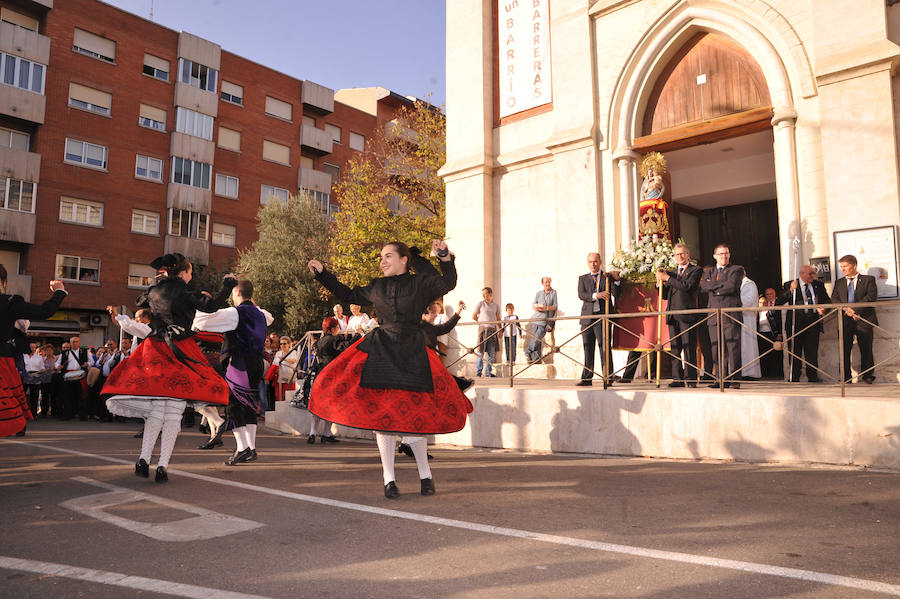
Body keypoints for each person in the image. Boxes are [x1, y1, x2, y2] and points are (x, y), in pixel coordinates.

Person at [307, 240, 473, 499]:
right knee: (382, 420)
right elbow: (348, 295)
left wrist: (443, 256)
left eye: (388, 256)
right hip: (381, 353)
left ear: (404, 259)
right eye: (381, 257)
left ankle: (425, 475)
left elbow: (447, 283)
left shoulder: (420, 283)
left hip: (412, 353)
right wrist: (323, 274)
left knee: (412, 419)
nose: (382, 261)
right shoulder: (376, 286)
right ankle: (389, 480)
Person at [101, 253, 235, 482]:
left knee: (155, 411)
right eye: (190, 273)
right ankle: (162, 466)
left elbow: (141, 303)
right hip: (179, 349)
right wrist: (228, 284)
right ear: (182, 273)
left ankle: (143, 459)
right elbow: (211, 306)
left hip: (155, 348)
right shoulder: (185, 292)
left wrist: (160, 283)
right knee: (173, 412)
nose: (191, 277)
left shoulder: (154, 291)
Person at [193, 279, 273, 464]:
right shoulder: (260, 314)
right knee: (249, 406)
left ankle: (242, 448)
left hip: (240, 363)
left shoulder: (235, 313)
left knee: (234, 405)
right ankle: (251, 448)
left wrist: (201, 306)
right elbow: (270, 317)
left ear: (237, 293)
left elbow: (201, 322)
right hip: (257, 363)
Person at [0, 264, 67, 437]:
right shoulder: (9, 302)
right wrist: (59, 292)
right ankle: (18, 425)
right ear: (4, 282)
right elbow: (44, 311)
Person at [656, 243, 702, 387]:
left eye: (682, 254)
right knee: (675, 348)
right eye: (677, 255)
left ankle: (691, 378)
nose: (680, 257)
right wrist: (659, 283)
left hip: (687, 314)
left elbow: (687, 286)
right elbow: (664, 296)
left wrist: (667, 278)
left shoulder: (695, 270)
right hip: (672, 314)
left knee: (689, 346)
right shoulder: (672, 273)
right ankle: (678, 378)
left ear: (688, 254)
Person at [700, 244, 744, 389]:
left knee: (733, 348)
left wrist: (714, 288)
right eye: (720, 254)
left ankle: (736, 379)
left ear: (729, 255)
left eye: (725, 253)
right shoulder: (709, 271)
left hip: (730, 314)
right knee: (717, 349)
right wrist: (719, 286)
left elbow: (731, 286)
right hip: (713, 315)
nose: (723, 256)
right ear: (714, 256)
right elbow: (704, 287)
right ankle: (720, 379)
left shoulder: (736, 269)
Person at [831, 254, 878, 383]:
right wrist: (847, 310)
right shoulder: (839, 282)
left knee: (866, 348)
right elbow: (834, 299)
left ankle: (868, 375)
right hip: (845, 320)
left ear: (854, 265)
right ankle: (845, 377)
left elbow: (871, 297)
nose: (843, 269)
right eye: (841, 267)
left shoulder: (869, 280)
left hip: (864, 319)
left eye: (845, 266)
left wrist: (856, 310)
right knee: (844, 349)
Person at [779, 265, 829, 382]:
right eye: (810, 273)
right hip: (795, 323)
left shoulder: (818, 285)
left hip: (813, 322)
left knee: (811, 351)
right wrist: (791, 290)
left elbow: (827, 300)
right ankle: (794, 377)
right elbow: (780, 300)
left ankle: (812, 376)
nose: (813, 276)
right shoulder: (789, 284)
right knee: (795, 351)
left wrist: (824, 308)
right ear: (802, 274)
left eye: (813, 273)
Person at [577, 253, 620, 385]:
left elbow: (617, 294)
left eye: (595, 261)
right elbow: (582, 295)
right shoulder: (583, 278)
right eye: (590, 262)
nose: (593, 264)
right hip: (588, 318)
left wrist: (617, 280)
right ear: (587, 263)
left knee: (604, 347)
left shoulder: (607, 277)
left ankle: (608, 377)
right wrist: (597, 295)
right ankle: (586, 378)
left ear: (600, 262)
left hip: (603, 317)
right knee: (588, 347)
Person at [308, 316, 348, 444]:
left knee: (317, 405)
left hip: (320, 375)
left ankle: (312, 433)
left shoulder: (319, 342)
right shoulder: (334, 340)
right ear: (333, 329)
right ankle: (326, 434)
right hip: (331, 376)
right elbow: (345, 350)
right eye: (337, 327)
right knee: (330, 405)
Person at [525, 277, 557, 364]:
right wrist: (537, 307)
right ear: (542, 283)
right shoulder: (538, 293)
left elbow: (555, 306)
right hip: (536, 319)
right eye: (546, 282)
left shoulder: (553, 293)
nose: (547, 284)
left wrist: (545, 308)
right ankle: (537, 360)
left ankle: (528, 351)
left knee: (536, 338)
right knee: (538, 341)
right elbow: (533, 304)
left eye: (549, 282)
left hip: (545, 321)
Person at [472, 287, 501, 377]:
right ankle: (478, 373)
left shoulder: (495, 305)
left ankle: (488, 372)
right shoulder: (480, 304)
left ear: (491, 294)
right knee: (480, 352)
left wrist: (501, 329)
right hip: (483, 330)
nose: (484, 296)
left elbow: (498, 318)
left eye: (486, 294)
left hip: (492, 331)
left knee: (491, 353)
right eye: (483, 294)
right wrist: (480, 323)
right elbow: (474, 316)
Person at [758, 289, 784, 379]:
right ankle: (764, 373)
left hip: (771, 334)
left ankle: (775, 373)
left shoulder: (773, 307)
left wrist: (779, 333)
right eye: (761, 302)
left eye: (764, 302)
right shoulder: (756, 313)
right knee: (763, 355)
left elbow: (778, 321)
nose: (763, 304)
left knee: (773, 355)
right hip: (760, 335)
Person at [739, 275, 761, 380]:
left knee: (748, 346)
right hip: (739, 319)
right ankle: (743, 372)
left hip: (747, 319)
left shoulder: (749, 284)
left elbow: (747, 301)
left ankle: (751, 372)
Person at [272, 336, 299, 402]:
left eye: (284, 343)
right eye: (281, 344)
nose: (282, 345)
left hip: (289, 380)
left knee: (289, 399)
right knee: (279, 399)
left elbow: (293, 360)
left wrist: (284, 359)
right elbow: (274, 363)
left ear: (289, 344)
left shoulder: (293, 352)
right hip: (279, 380)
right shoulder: (278, 353)